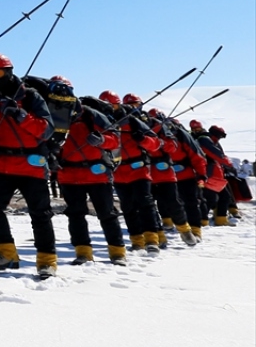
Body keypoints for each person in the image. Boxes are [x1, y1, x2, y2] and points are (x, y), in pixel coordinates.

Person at [0, 54, 58, 279]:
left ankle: (47, 261)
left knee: (40, 213)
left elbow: (46, 130)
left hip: (31, 165)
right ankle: (7, 252)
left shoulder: (31, 97)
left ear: (9, 71)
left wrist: (21, 115)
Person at [55, 90, 126, 265]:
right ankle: (83, 253)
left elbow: (115, 140)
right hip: (69, 175)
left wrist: (102, 139)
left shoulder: (92, 115)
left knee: (107, 214)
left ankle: (117, 252)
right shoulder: (54, 115)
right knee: (76, 216)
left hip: (95, 174)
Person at [105, 91, 162, 253]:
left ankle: (152, 239)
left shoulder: (132, 121)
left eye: (113, 104)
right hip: (118, 173)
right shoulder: (101, 123)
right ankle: (137, 240)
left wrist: (142, 139)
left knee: (145, 203)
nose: (110, 108)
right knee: (128, 207)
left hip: (139, 170)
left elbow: (155, 144)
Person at [144, 108, 198, 246]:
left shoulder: (167, 131)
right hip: (146, 173)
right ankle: (159, 234)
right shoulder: (136, 128)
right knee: (148, 206)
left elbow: (172, 147)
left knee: (174, 202)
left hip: (165, 172)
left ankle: (185, 231)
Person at [192, 121, 234, 227]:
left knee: (220, 197)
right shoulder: (204, 139)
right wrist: (228, 164)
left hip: (207, 172)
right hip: (209, 173)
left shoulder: (197, 139)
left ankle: (217, 219)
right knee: (210, 199)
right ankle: (201, 221)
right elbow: (216, 154)